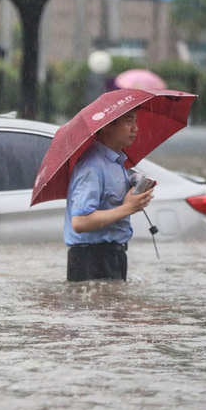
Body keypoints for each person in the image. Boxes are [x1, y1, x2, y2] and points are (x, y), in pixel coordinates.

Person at [64, 109, 154, 282]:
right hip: (91, 258)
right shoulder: (91, 166)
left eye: (135, 121)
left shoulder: (118, 162)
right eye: (129, 121)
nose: (135, 128)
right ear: (107, 126)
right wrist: (128, 208)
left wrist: (135, 190)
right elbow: (80, 222)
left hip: (114, 254)